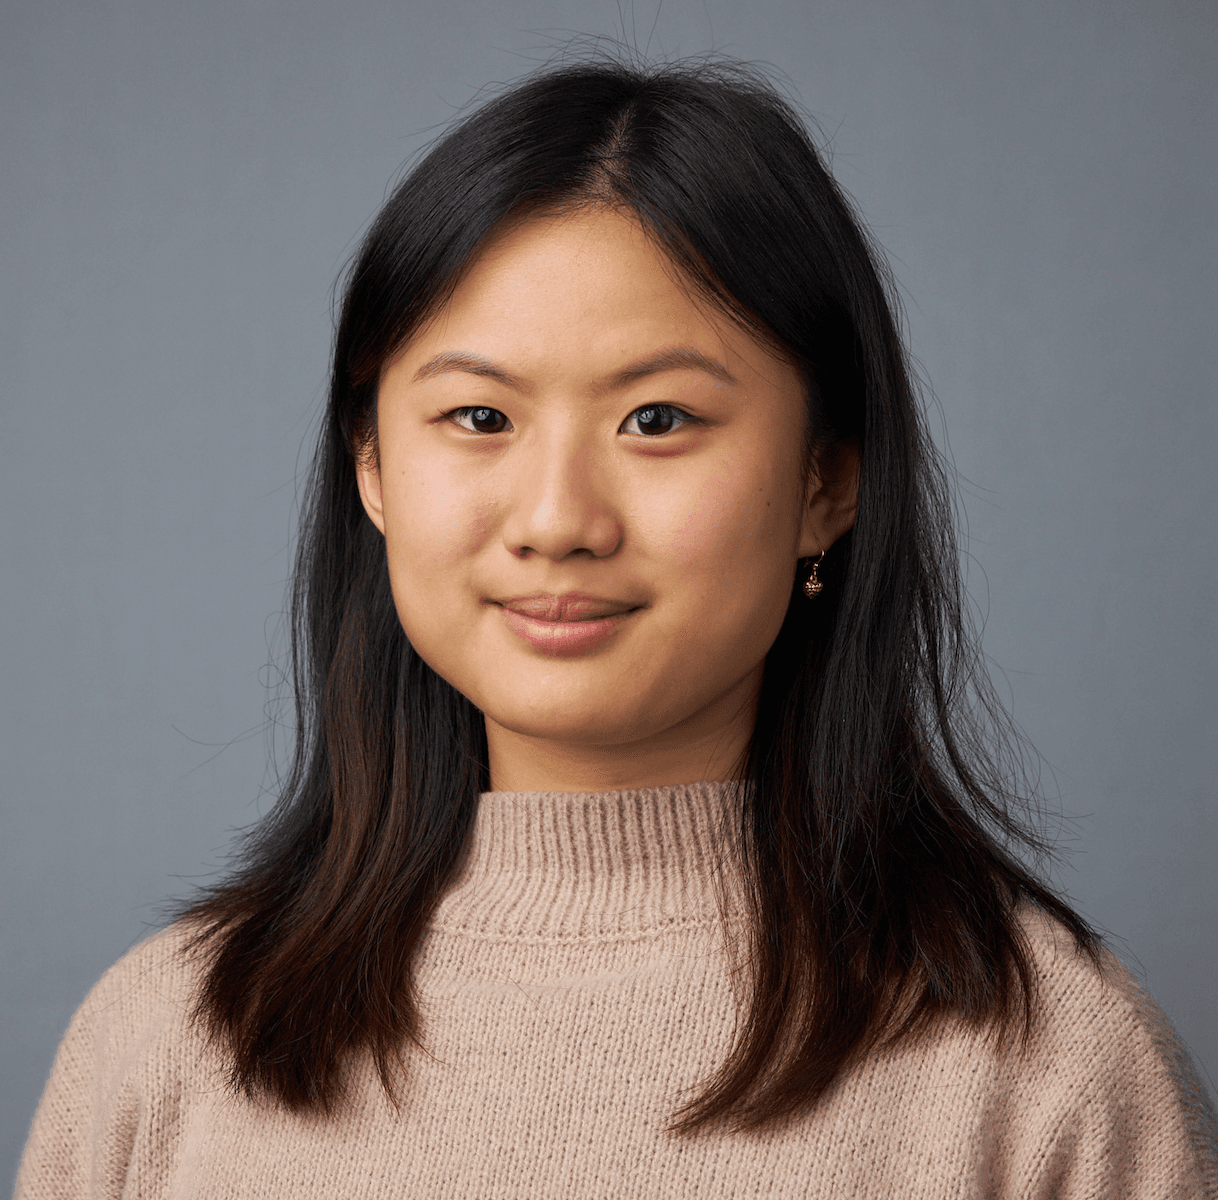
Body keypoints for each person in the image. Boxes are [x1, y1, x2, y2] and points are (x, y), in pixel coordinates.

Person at [16, 54, 1218, 1199]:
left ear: (828, 482)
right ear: (372, 469)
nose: (556, 520)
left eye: (656, 419)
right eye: (479, 416)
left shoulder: (1046, 1064)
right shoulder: (168, 1041)